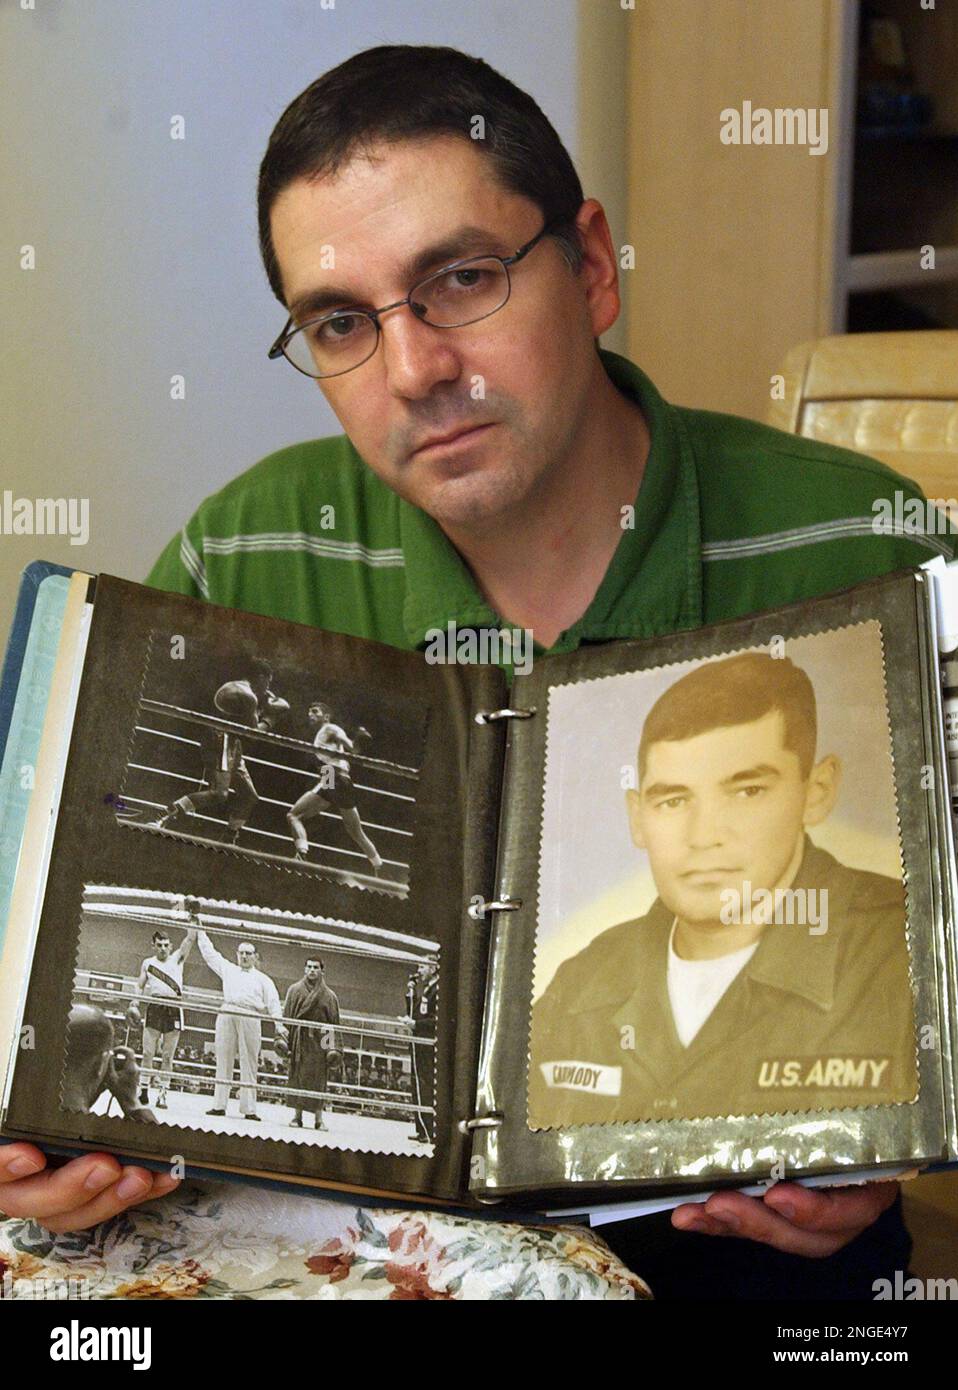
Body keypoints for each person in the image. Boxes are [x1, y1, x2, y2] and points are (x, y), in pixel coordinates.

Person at [4, 44, 953, 1295]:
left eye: (461, 279)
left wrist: (895, 1164)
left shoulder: (856, 541)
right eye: (341, 321)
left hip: (754, 1257)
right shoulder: (240, 552)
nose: (414, 371)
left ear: (594, 266)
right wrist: (42, 1142)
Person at [529, 651, 917, 1128]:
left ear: (816, 791)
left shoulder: (908, 950)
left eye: (747, 791)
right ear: (637, 818)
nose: (704, 835)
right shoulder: (580, 984)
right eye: (673, 801)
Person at [147, 658, 289, 844]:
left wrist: (270, 704)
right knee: (218, 794)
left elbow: (283, 704)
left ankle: (229, 839)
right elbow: (254, 734)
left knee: (249, 796)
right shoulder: (248, 696)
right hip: (220, 738)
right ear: (261, 677)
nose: (269, 687)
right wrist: (271, 719)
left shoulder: (241, 689)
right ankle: (161, 817)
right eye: (268, 681)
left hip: (230, 742)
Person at [195, 930, 287, 1121]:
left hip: (251, 1015)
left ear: (255, 957)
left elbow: (273, 1003)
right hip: (227, 1011)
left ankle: (249, 1109)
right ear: (237, 954)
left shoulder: (264, 979)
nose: (244, 956)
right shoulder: (228, 969)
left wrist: (279, 1025)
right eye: (241, 953)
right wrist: (199, 929)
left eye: (248, 953)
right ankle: (219, 1105)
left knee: (250, 1062)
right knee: (223, 1059)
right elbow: (210, 953)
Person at [286, 701, 383, 875]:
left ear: (326, 716)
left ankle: (301, 855)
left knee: (294, 815)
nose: (310, 714)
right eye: (309, 711)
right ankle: (378, 866)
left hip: (333, 776)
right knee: (355, 831)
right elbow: (343, 759)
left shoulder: (331, 728)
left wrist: (360, 737)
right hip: (336, 778)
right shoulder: (324, 735)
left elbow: (352, 748)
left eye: (315, 711)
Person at [127, 911, 197, 1110]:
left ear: (171, 946)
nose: (163, 948)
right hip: (155, 1007)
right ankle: (144, 1091)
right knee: (148, 1053)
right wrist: (134, 1002)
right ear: (153, 946)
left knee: (168, 1056)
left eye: (166, 945)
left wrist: (193, 918)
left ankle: (163, 1094)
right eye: (159, 945)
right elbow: (140, 985)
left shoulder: (177, 959)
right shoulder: (148, 963)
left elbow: (190, 938)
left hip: (174, 1008)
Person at [282, 957, 341, 1131]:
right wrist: (285, 1041)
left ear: (322, 971)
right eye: (309, 967)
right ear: (304, 969)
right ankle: (297, 1117)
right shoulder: (294, 990)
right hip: (299, 1040)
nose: (312, 970)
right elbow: (287, 1016)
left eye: (316, 967)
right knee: (297, 1078)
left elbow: (332, 1024)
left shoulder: (330, 996)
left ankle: (318, 1119)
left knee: (319, 1081)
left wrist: (332, 1048)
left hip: (320, 1041)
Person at [405, 960, 438, 1143]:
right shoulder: (427, 989)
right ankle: (422, 1130)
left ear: (433, 969)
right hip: (419, 1043)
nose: (418, 971)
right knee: (417, 1084)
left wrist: (416, 1024)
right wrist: (410, 992)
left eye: (422, 967)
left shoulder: (438, 990)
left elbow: (436, 1020)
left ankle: (428, 1130)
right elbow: (415, 1011)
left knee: (424, 1085)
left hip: (427, 1045)